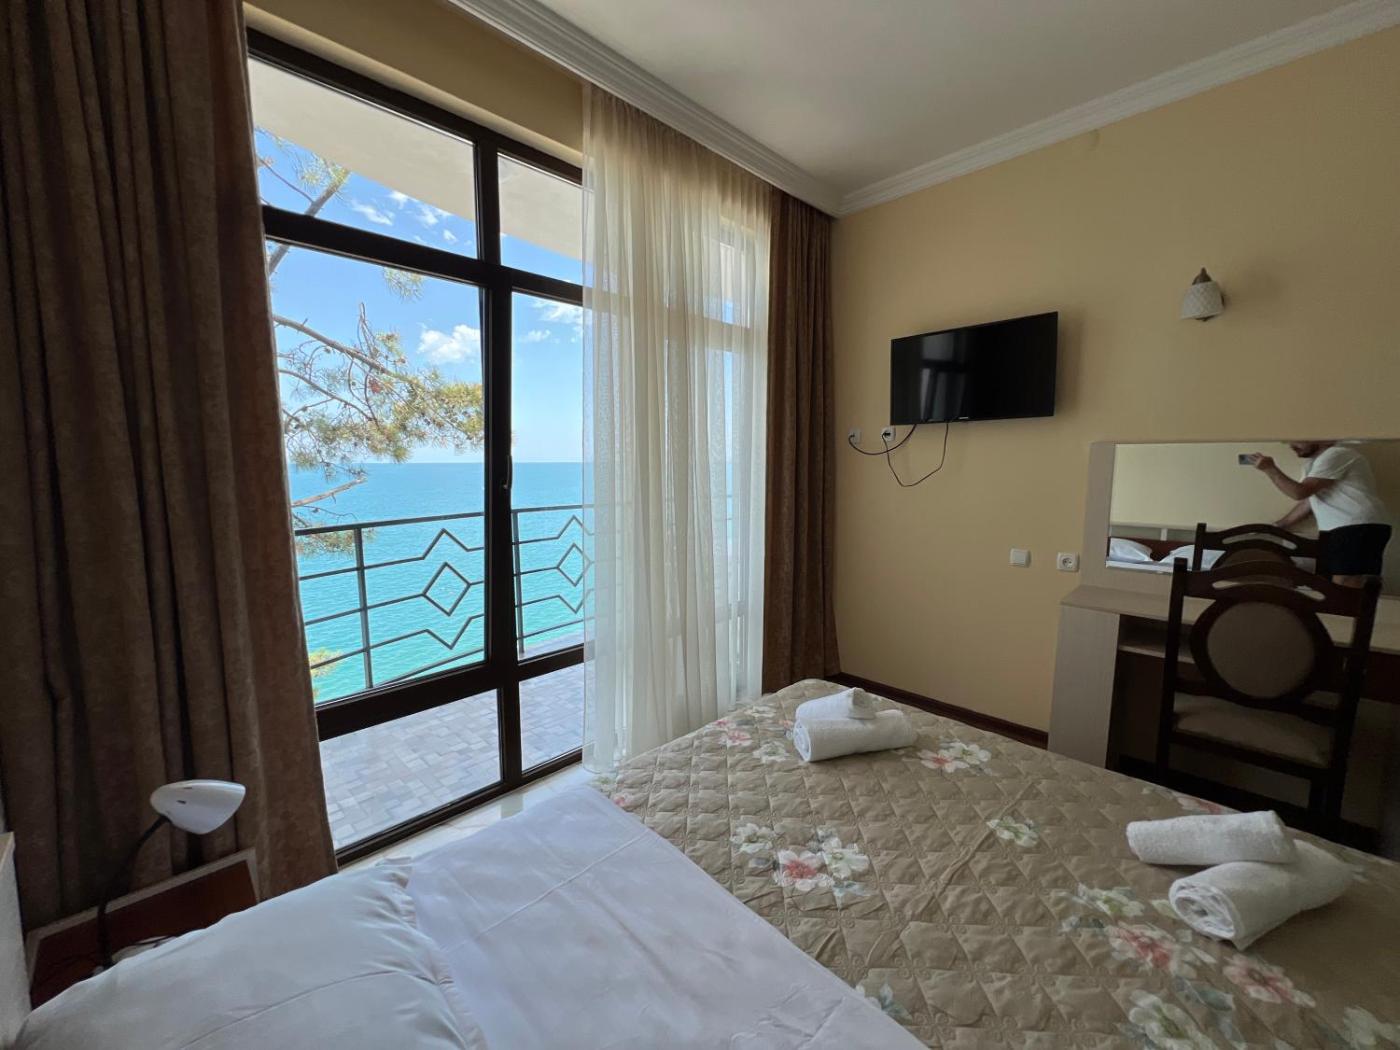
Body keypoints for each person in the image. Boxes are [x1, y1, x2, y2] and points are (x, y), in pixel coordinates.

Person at [1247, 441, 1392, 587]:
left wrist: (1270, 469)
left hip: (1357, 525)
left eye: (1297, 440)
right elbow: (1309, 502)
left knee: (1346, 584)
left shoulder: (1336, 453)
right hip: (1338, 528)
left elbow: (1299, 492)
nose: (1291, 446)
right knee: (1329, 586)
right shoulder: (1313, 464)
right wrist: (1279, 526)